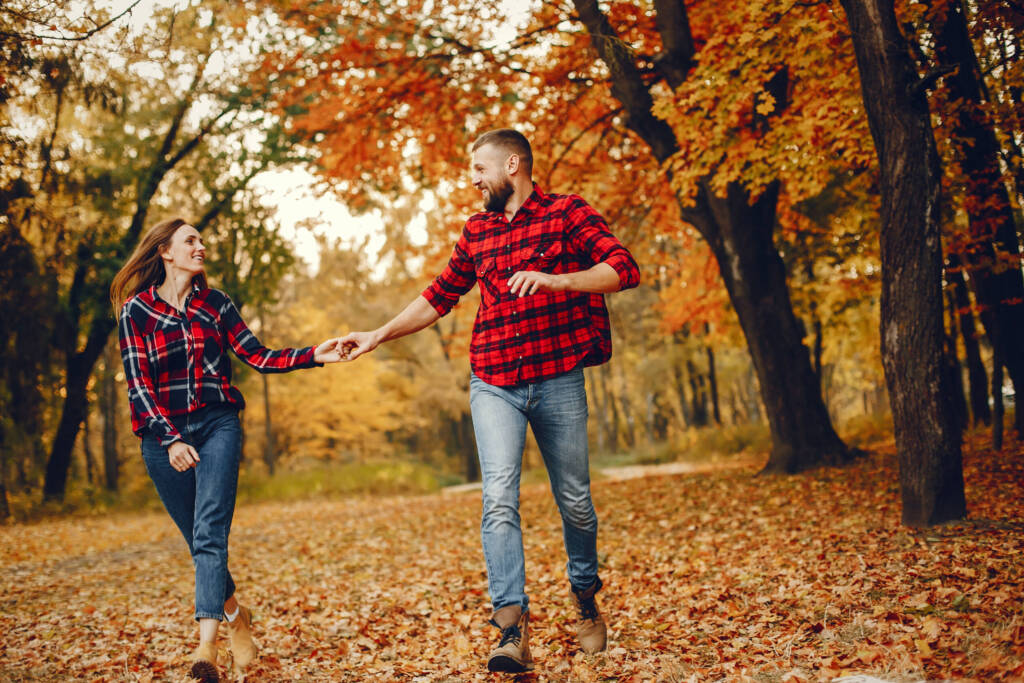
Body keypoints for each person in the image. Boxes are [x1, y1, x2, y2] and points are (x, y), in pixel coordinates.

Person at [338, 128, 640, 673]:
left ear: (514, 164)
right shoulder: (477, 230)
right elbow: (439, 296)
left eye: (480, 168)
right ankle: (510, 630)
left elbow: (623, 269)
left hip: (559, 377)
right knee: (499, 497)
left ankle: (585, 595)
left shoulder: (567, 212)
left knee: (574, 499)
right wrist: (377, 334)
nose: (473, 179)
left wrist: (557, 280)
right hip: (494, 379)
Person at [110, 218, 345, 682]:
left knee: (210, 533)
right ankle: (239, 622)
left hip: (217, 424)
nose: (201, 247)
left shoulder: (216, 305)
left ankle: (205, 646)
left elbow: (258, 355)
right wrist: (170, 437)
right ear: (165, 252)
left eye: (200, 240)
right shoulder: (136, 312)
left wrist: (316, 353)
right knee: (198, 543)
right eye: (191, 240)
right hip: (164, 437)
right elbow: (138, 387)